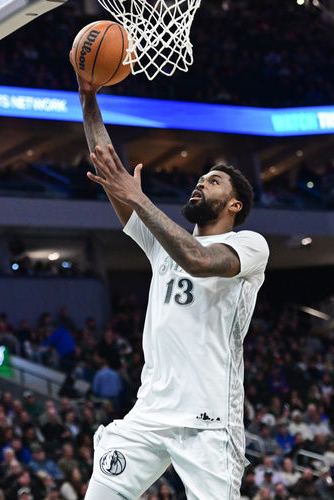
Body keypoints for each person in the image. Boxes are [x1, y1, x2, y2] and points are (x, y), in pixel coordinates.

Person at [72, 61, 269, 500]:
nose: (200, 184)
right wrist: (88, 99)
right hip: (150, 413)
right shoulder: (162, 242)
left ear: (235, 204)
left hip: (210, 421)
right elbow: (110, 167)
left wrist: (139, 198)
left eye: (213, 182)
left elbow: (198, 259)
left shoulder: (251, 244)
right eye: (200, 179)